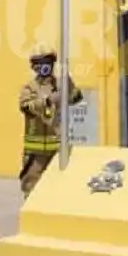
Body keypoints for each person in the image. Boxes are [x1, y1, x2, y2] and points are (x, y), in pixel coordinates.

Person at [18, 42, 83, 199]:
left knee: (57, 185)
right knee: (31, 184)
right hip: (35, 151)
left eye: (47, 62)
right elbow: (26, 106)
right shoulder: (30, 88)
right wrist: (47, 101)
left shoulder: (59, 85)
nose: (44, 67)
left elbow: (76, 98)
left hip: (57, 146)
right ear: (34, 67)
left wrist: (69, 82)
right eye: (40, 63)